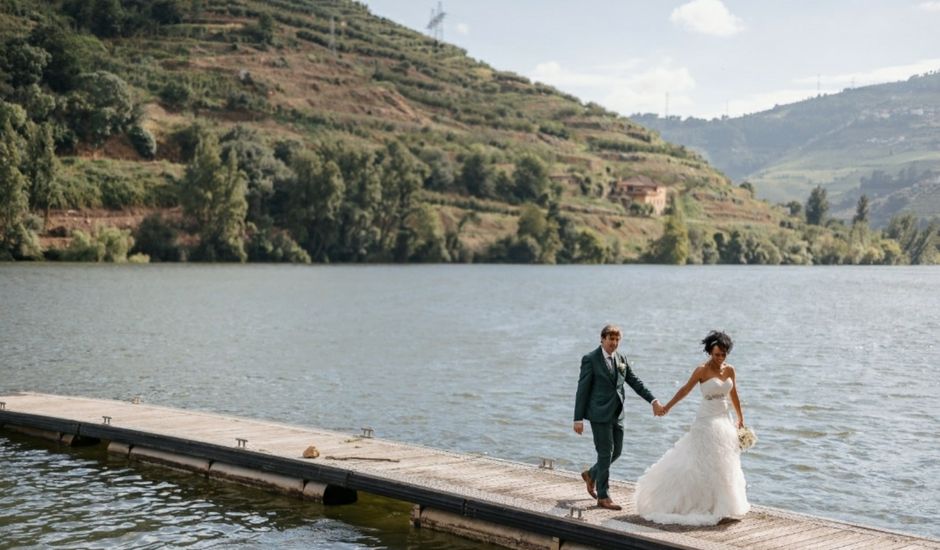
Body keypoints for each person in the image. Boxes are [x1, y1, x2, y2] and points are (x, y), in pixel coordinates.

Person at [634, 330, 750, 525]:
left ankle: (721, 505)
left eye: (723, 354)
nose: (720, 358)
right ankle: (694, 502)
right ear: (709, 353)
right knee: (701, 462)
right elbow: (685, 390)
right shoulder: (701, 370)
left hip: (724, 419)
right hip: (706, 420)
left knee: (724, 462)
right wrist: (666, 407)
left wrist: (740, 418)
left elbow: (734, 394)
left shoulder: (730, 370)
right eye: (716, 355)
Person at [573, 324, 664, 510]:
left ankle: (591, 474)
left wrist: (653, 400)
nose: (614, 343)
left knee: (617, 451)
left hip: (618, 413)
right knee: (605, 452)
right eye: (610, 339)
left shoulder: (621, 359)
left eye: (617, 340)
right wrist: (578, 419)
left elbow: (634, 382)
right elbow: (582, 390)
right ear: (602, 339)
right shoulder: (590, 359)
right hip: (599, 414)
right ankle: (603, 496)